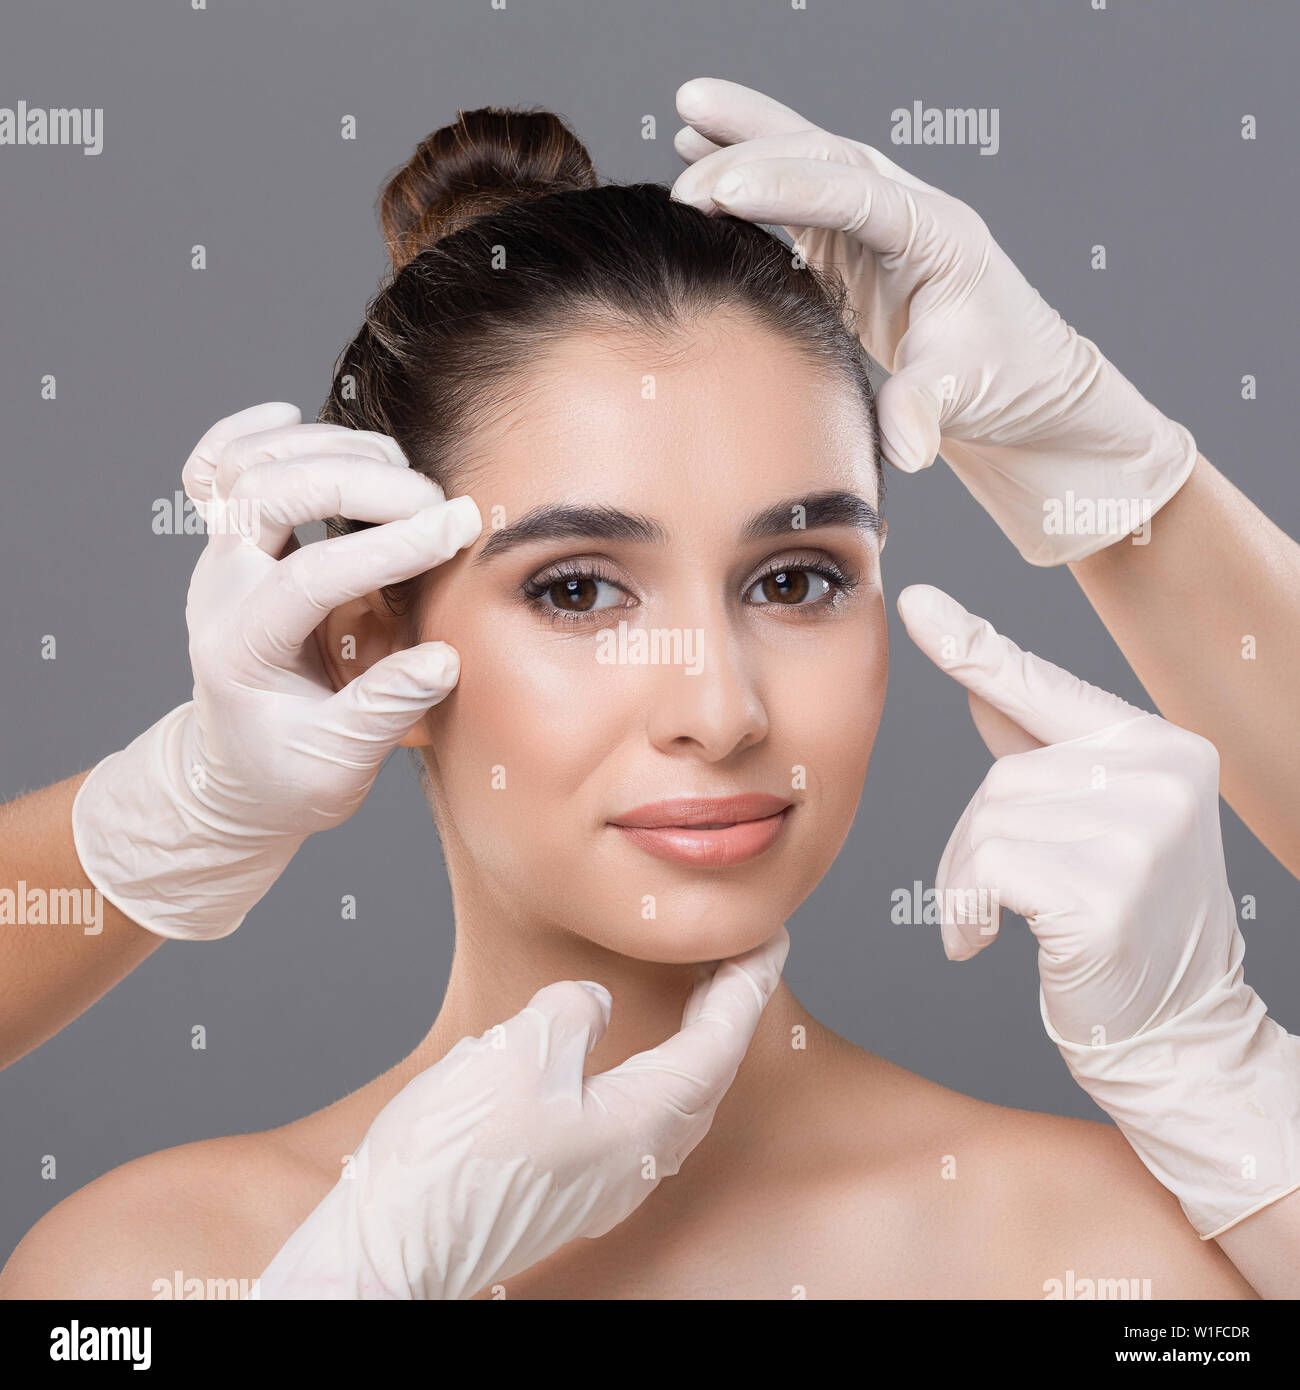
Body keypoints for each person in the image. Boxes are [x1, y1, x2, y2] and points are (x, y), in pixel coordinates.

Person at [2, 105, 1293, 1299]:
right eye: (577, 592)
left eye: (796, 577)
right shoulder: (144, 1269)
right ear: (363, 646)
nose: (722, 708)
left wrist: (1230, 1089)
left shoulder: (1108, 1253)